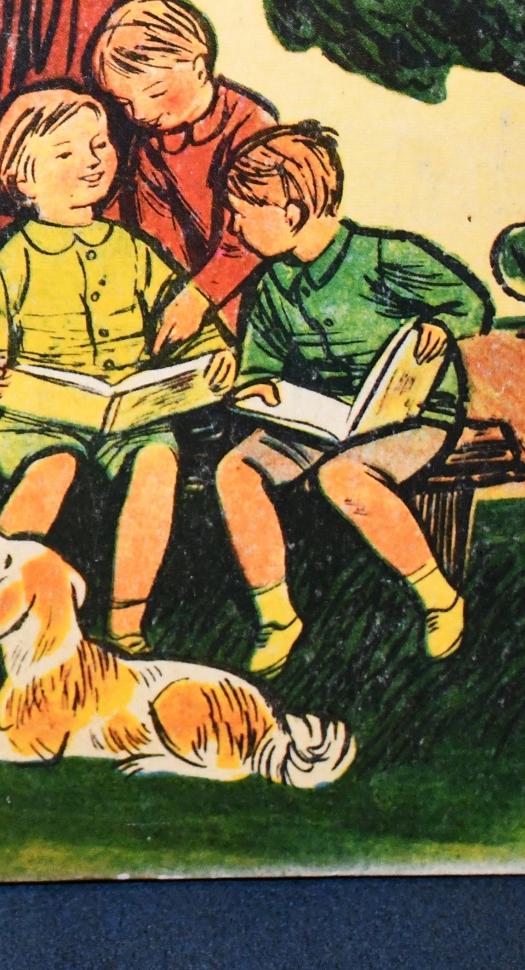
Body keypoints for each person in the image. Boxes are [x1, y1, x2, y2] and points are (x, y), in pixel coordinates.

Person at [0, 84, 235, 679]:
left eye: (99, 144)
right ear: (23, 179)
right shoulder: (10, 259)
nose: (92, 160)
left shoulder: (132, 248)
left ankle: (126, 621)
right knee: (50, 473)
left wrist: (214, 353)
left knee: (158, 466)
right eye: (66, 153)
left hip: (133, 418)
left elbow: (184, 320)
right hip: (38, 421)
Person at [211, 122, 493, 676]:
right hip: (319, 420)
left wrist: (439, 328)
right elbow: (261, 364)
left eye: (243, 213)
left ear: (292, 212)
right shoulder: (271, 284)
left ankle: (439, 599)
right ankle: (277, 618)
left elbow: (472, 305)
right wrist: (255, 387)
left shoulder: (386, 255)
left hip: (409, 415)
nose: (235, 226)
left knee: (344, 477)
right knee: (235, 472)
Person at [88, 0, 280, 352]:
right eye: (125, 102)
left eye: (155, 91)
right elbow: (143, 222)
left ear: (198, 68)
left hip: (251, 298)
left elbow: (254, 236)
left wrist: (200, 296)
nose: (140, 113)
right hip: (184, 297)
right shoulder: (153, 140)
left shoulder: (252, 126)